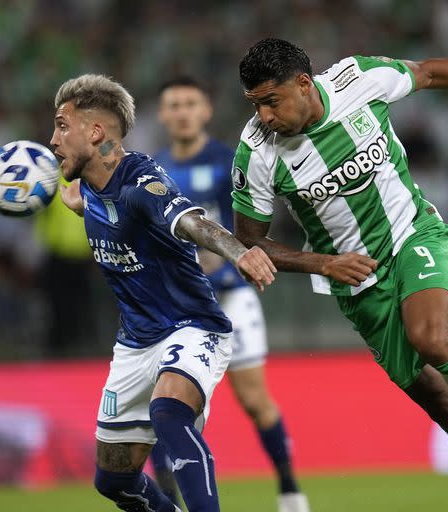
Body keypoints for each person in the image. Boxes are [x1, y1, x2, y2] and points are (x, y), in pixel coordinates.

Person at [231, 38, 448, 512]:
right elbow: (251, 239)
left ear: (304, 84)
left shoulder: (357, 80)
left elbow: (429, 72)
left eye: (271, 101)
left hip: (412, 234)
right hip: (356, 280)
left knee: (431, 338)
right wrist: (324, 263)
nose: (265, 117)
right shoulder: (257, 151)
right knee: (444, 403)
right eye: (256, 105)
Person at [51, 73, 276, 512]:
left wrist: (238, 252)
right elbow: (115, 217)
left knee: (169, 412)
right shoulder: (93, 186)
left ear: (95, 132)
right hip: (135, 342)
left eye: (62, 126)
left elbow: (191, 222)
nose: (53, 140)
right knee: (114, 479)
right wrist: (84, 206)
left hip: (192, 326)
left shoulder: (143, 182)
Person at [150, 76, 310, 512]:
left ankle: (289, 486)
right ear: (163, 115)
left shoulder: (229, 160)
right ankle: (169, 498)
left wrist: (221, 262)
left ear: (205, 111)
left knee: (255, 402)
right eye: (173, 104)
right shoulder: (152, 171)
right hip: (178, 306)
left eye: (190, 103)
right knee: (163, 406)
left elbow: (247, 228)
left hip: (231, 298)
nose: (182, 111)